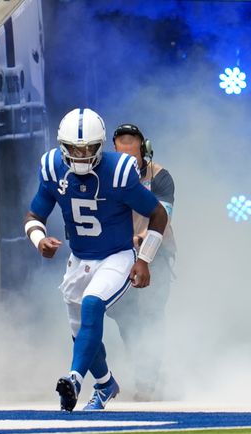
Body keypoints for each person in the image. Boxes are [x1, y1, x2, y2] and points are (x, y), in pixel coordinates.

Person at [24, 108, 168, 412]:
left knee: (93, 304)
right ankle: (105, 384)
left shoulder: (119, 170)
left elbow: (159, 213)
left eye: (88, 148)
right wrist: (39, 240)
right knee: (81, 333)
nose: (81, 154)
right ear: (63, 146)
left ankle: (74, 380)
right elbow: (35, 214)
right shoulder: (52, 167)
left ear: (100, 146)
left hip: (116, 256)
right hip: (79, 259)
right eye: (75, 148)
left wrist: (144, 259)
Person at [107, 123, 176, 400]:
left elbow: (164, 212)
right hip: (120, 254)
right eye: (121, 153)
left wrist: (142, 238)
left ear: (143, 149)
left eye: (132, 152)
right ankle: (145, 368)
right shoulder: (105, 176)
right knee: (125, 318)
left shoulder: (160, 176)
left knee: (150, 315)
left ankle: (148, 380)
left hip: (155, 253)